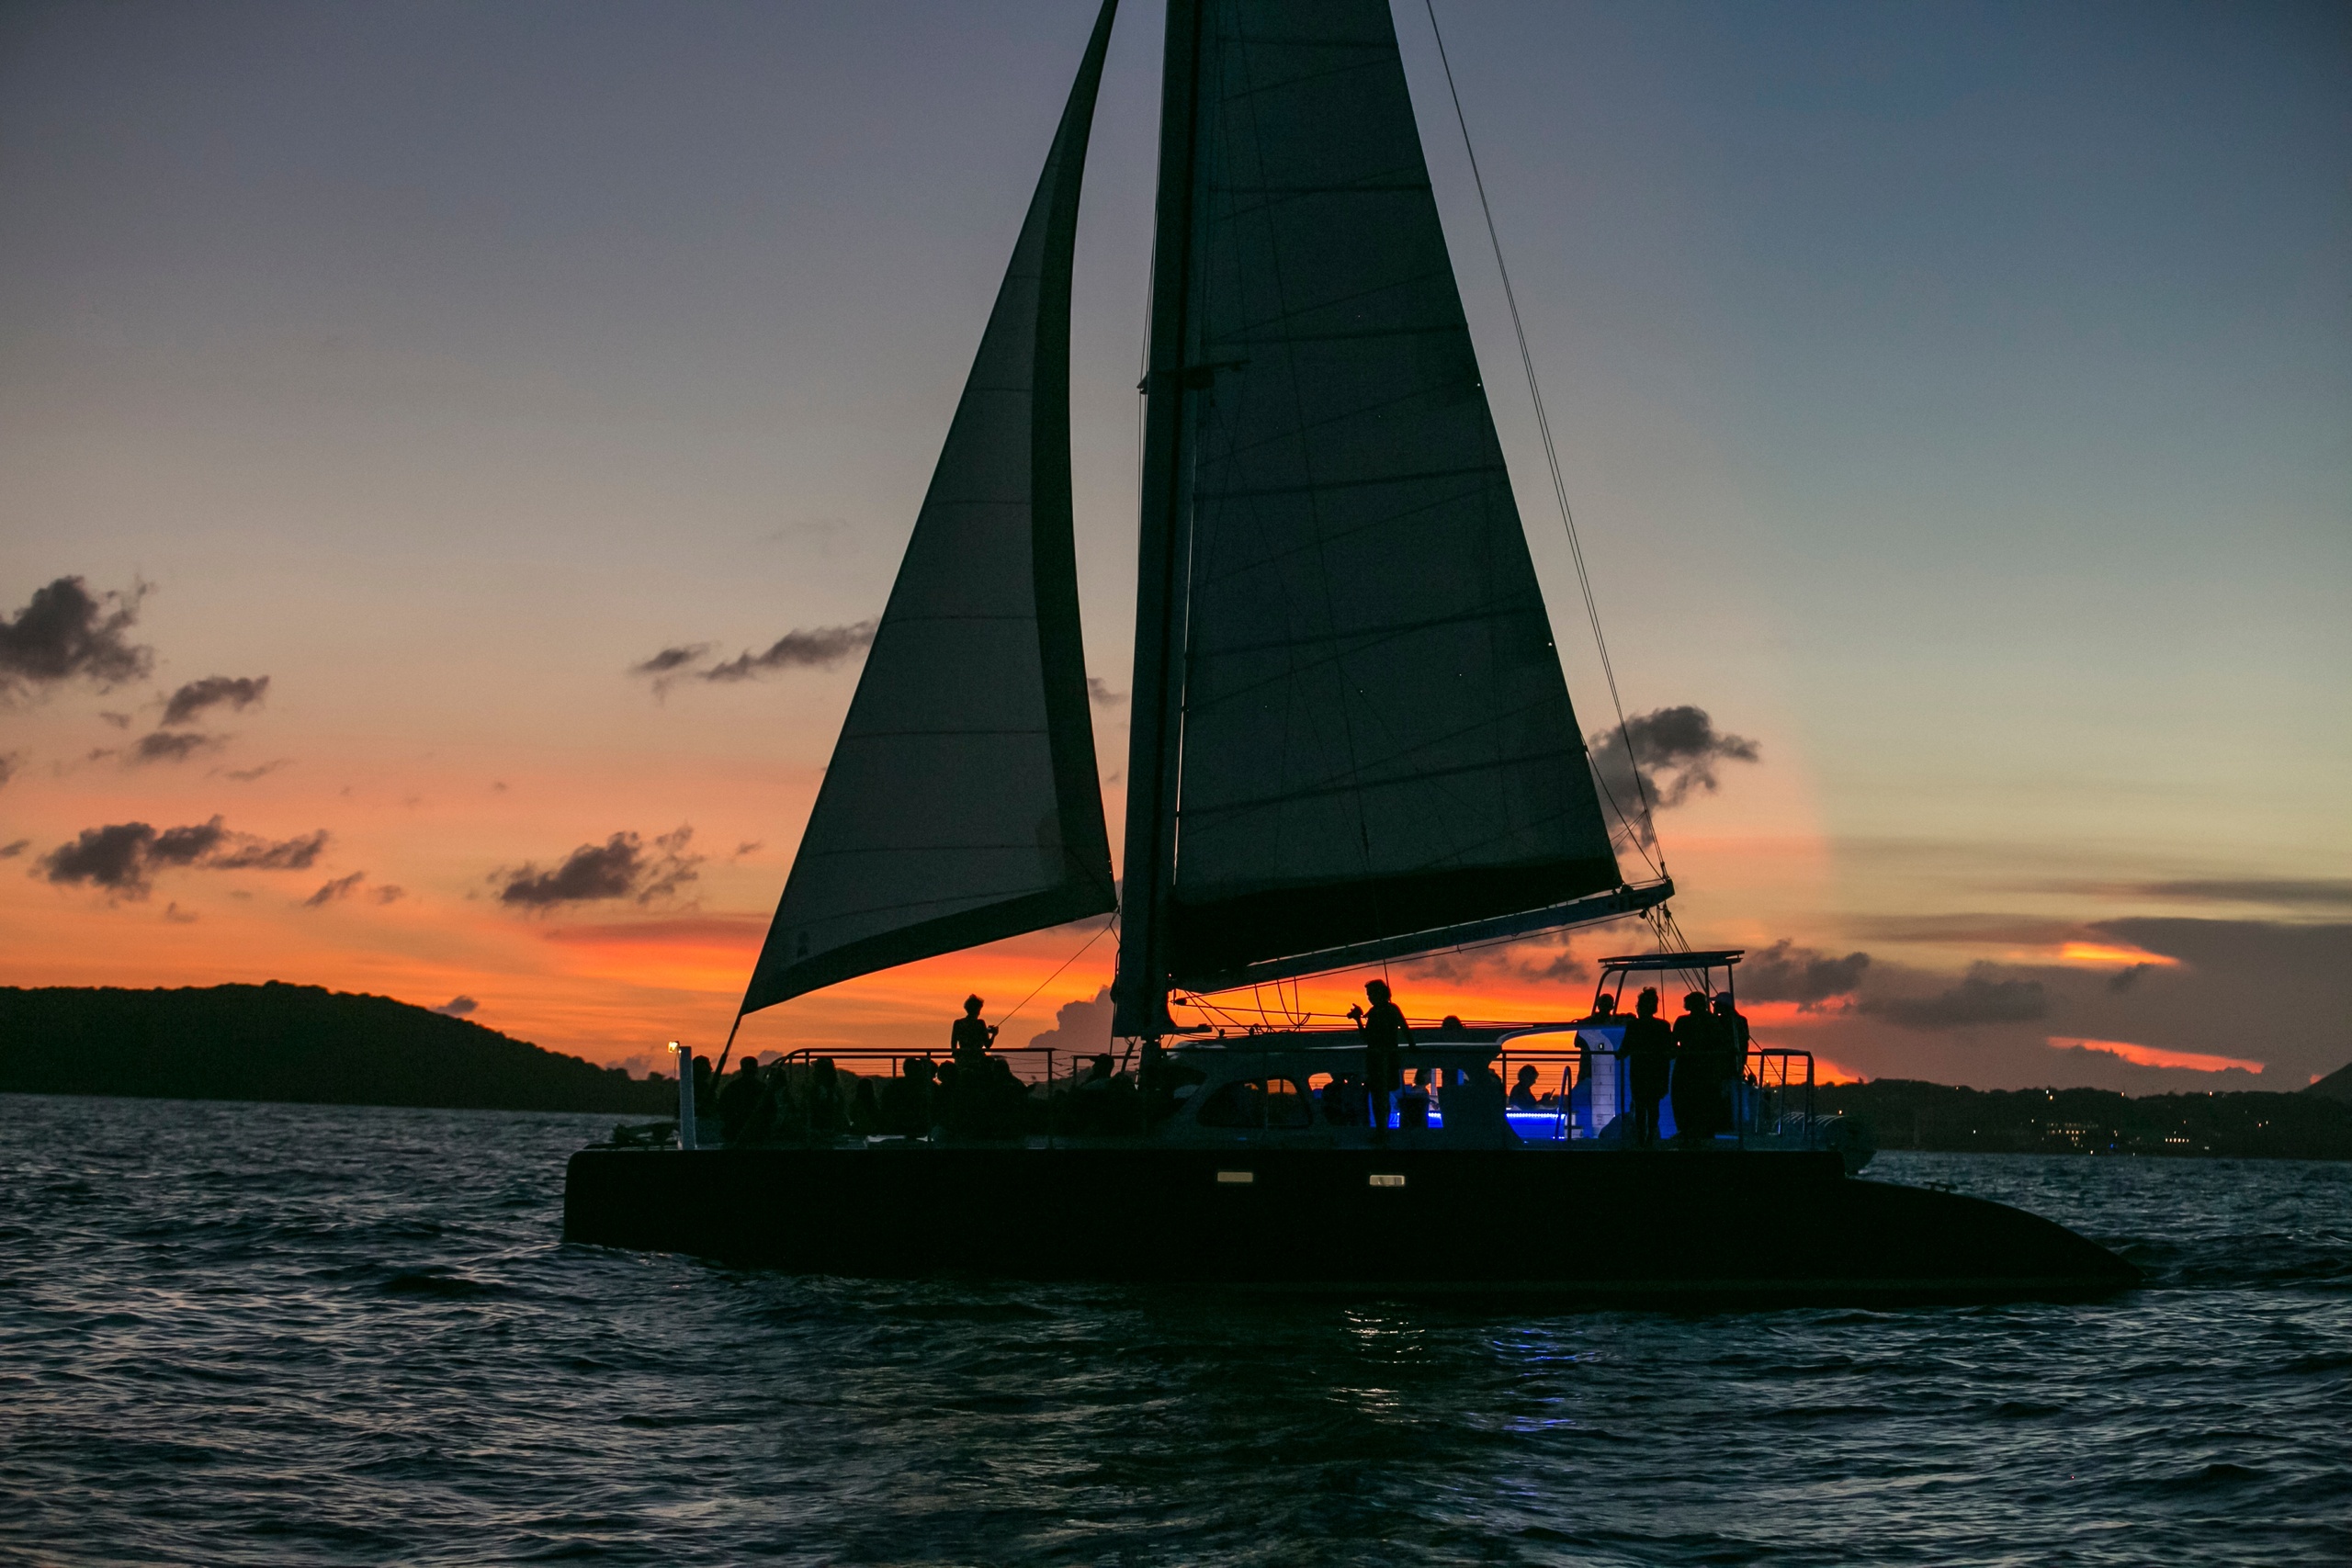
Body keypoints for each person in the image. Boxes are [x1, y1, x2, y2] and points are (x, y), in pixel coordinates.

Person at [1351, 978, 1410, 1132]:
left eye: (1371, 994)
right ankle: (1383, 1129)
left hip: (1379, 1060)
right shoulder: (1391, 1010)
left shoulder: (1379, 1012)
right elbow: (1404, 1028)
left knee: (1379, 1098)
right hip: (1385, 1059)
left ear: (1380, 993)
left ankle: (1381, 1130)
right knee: (1381, 1097)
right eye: (1368, 995)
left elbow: (1367, 1038)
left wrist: (1358, 1019)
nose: (1369, 997)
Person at [1621, 987, 1674, 1147]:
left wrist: (1618, 1055)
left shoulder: (1634, 1026)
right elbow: (1670, 1048)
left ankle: (1641, 1137)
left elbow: (1625, 1048)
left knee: (1640, 1104)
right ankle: (1650, 1136)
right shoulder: (1662, 1026)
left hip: (1639, 1069)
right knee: (1653, 1105)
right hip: (1657, 1070)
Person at [1670, 991, 1721, 1144]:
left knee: (1684, 1098)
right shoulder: (1712, 1021)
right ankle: (1704, 1131)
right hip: (1707, 1066)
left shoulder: (1683, 1021)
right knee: (1703, 1099)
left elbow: (1673, 1041)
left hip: (1686, 1065)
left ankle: (1687, 1130)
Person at [718, 1055, 764, 1144]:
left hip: (735, 1132)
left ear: (742, 1069)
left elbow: (722, 1108)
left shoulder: (731, 1087)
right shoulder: (762, 1088)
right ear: (756, 1069)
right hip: (756, 1133)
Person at [950, 995, 997, 1065]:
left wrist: (956, 1055)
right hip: (977, 1059)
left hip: (963, 1058)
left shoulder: (958, 1023)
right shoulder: (980, 1023)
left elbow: (953, 1043)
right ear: (977, 1010)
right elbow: (987, 1045)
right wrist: (994, 1034)